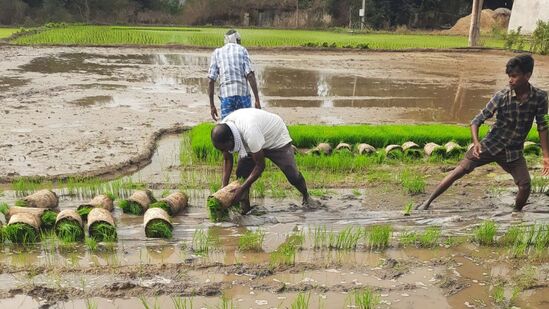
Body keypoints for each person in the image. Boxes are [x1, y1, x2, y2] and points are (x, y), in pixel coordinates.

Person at [417, 54, 549, 212]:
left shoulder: (540, 98)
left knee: (525, 185)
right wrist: (477, 142)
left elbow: (542, 126)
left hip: (513, 151)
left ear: (527, 75)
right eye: (509, 76)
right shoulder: (501, 97)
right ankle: (427, 202)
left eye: (514, 76)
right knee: (459, 171)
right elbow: (476, 121)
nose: (510, 80)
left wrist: (546, 156)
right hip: (490, 145)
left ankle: (516, 214)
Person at [210, 108, 317, 214]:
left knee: (292, 175)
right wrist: (223, 188)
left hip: (275, 137)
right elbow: (227, 158)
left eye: (224, 148)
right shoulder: (224, 129)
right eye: (221, 149)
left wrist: (242, 189)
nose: (224, 151)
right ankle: (245, 210)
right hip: (253, 141)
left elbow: (260, 166)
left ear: (231, 139)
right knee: (242, 176)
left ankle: (306, 196)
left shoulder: (249, 131)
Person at [208, 29, 261, 121]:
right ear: (236, 40)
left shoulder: (217, 53)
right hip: (243, 96)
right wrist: (257, 99)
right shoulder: (242, 50)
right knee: (246, 126)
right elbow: (250, 75)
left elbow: (211, 80)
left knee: (228, 128)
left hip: (226, 97)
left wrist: (212, 106)